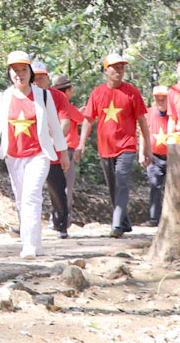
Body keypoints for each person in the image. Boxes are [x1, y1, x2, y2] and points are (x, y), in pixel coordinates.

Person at [0, 51, 69, 258]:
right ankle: (36, 242)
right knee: (22, 198)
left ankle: (28, 245)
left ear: (30, 72)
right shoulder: (4, 97)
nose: (19, 74)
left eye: (23, 70)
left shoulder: (43, 95)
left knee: (31, 195)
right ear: (9, 73)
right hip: (14, 155)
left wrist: (63, 152)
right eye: (14, 70)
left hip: (39, 154)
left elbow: (55, 126)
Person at [75, 53, 151, 237]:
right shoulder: (97, 93)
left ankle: (116, 225)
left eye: (121, 67)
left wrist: (146, 147)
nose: (119, 71)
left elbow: (142, 120)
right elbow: (88, 119)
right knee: (113, 186)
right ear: (106, 70)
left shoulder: (131, 91)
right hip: (105, 147)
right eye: (115, 67)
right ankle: (124, 222)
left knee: (122, 181)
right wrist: (81, 143)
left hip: (127, 145)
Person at [32, 62, 73, 238]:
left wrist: (55, 141)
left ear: (48, 79)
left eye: (42, 77)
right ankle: (26, 224)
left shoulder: (57, 97)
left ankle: (61, 223)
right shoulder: (25, 97)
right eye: (35, 78)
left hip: (53, 150)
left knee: (57, 188)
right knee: (29, 189)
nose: (38, 81)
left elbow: (65, 122)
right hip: (31, 151)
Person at [51, 73, 84, 227]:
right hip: (67, 150)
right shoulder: (68, 107)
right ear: (68, 91)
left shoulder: (51, 106)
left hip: (51, 149)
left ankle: (56, 219)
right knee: (66, 188)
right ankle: (64, 221)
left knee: (54, 187)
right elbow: (83, 119)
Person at [144, 86, 173, 226]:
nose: (160, 101)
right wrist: (141, 153)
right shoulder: (148, 113)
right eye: (157, 98)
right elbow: (143, 134)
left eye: (163, 98)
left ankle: (171, 218)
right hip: (154, 156)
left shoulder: (175, 114)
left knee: (173, 187)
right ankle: (154, 219)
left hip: (173, 157)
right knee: (155, 185)